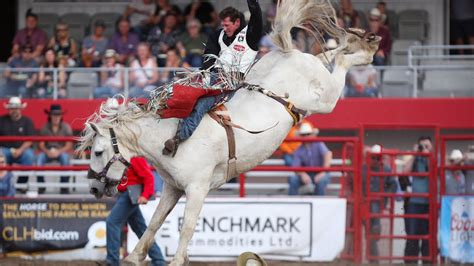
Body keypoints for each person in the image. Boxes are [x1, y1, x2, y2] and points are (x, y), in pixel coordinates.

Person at [162, 0, 263, 157]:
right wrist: (202, 76)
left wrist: (253, 3)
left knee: (202, 103)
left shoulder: (250, 35)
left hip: (232, 84)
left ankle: (178, 138)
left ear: (237, 22)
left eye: (227, 25)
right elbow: (209, 57)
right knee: (179, 92)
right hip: (213, 78)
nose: (224, 28)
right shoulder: (218, 35)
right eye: (223, 25)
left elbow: (257, 17)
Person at [106, 156, 165, 266]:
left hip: (129, 195)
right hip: (129, 194)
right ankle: (158, 260)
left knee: (112, 222)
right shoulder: (128, 157)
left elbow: (148, 177)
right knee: (141, 229)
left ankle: (112, 261)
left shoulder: (133, 157)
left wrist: (145, 195)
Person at [362, 144, 398, 261]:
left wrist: (384, 195)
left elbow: (393, 185)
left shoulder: (386, 169)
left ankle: (373, 258)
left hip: (377, 202)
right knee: (370, 231)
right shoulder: (363, 168)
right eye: (374, 157)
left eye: (378, 158)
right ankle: (373, 258)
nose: (376, 160)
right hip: (364, 202)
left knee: (372, 231)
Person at [401, 136, 432, 264]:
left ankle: (427, 261)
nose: (424, 148)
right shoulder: (414, 158)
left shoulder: (434, 157)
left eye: (427, 146)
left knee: (428, 236)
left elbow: (434, 170)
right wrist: (415, 154)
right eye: (422, 146)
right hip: (414, 202)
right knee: (412, 235)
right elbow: (404, 172)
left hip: (429, 202)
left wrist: (428, 155)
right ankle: (410, 262)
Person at [0, 97, 35, 193]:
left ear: (20, 109)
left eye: (16, 108)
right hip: (5, 150)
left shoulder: (27, 121)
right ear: (8, 109)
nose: (14, 110)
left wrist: (20, 150)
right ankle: (3, 183)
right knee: (0, 155)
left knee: (29, 156)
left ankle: (22, 184)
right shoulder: (1, 120)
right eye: (12, 108)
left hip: (22, 149)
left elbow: (30, 140)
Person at [36, 104, 73, 194]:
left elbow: (69, 144)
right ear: (50, 116)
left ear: (61, 116)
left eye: (58, 115)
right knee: (39, 159)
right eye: (54, 114)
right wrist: (47, 151)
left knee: (65, 158)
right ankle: (41, 186)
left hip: (61, 151)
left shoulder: (66, 127)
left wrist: (58, 152)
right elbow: (41, 144)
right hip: (47, 152)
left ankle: (64, 186)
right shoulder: (44, 127)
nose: (56, 117)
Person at [288, 123, 333, 196]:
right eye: (303, 135)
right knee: (293, 179)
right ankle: (293, 202)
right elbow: (295, 166)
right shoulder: (298, 150)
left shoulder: (319, 144)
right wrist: (303, 174)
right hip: (307, 174)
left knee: (321, 181)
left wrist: (323, 172)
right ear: (300, 136)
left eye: (308, 134)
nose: (306, 136)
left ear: (312, 135)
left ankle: (319, 203)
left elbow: (328, 154)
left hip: (321, 172)